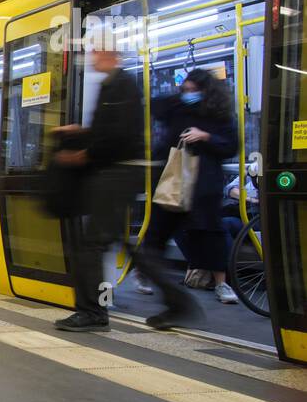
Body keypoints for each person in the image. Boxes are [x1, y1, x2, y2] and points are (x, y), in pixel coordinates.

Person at [131, 68, 239, 322]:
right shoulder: (177, 108)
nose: (189, 95)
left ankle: (218, 284)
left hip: (202, 186)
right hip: (173, 180)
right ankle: (150, 278)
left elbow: (231, 146)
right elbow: (157, 107)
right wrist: (180, 99)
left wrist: (206, 136)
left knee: (211, 234)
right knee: (157, 234)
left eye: (194, 91)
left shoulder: (219, 116)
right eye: (185, 90)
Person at [51, 42, 144, 332]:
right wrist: (80, 132)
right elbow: (108, 132)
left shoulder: (123, 85)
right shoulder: (111, 86)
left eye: (97, 53)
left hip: (117, 176)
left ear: (111, 55)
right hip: (112, 176)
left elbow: (120, 135)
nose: (92, 58)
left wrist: (84, 154)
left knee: (90, 245)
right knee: (106, 241)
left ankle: (91, 312)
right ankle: (174, 300)